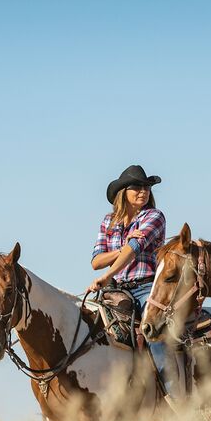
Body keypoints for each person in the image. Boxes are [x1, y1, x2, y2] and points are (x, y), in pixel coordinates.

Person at [86, 165, 180, 398]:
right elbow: (96, 261)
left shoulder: (153, 216)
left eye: (146, 187)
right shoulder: (108, 221)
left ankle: (174, 396)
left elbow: (134, 250)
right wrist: (122, 247)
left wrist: (108, 274)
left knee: (154, 335)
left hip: (149, 287)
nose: (143, 191)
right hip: (116, 293)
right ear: (123, 192)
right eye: (136, 187)